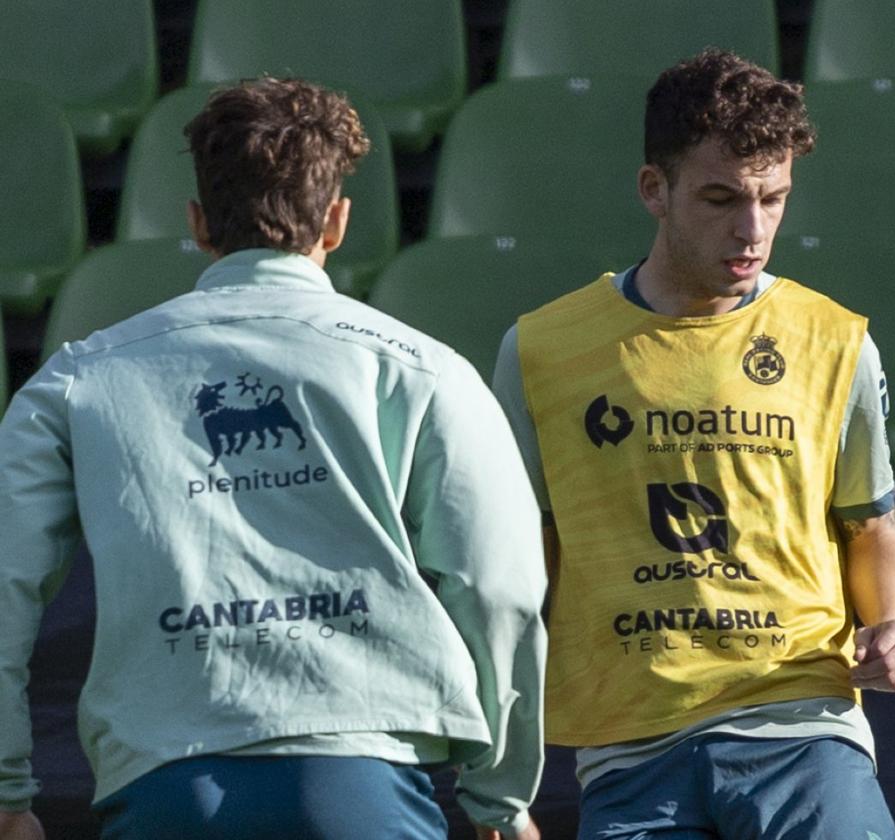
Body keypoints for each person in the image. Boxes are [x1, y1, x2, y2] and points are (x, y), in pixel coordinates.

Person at [0, 77, 545, 840]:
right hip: (364, 777)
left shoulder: (76, 378)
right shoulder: (424, 369)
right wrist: (501, 795)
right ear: (339, 221)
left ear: (196, 223)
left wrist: (6, 788)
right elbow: (499, 590)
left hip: (165, 784)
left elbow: (6, 585)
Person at [491, 50, 895, 838]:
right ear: (654, 190)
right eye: (721, 198)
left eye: (773, 198)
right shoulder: (540, 351)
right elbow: (522, 564)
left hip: (801, 724)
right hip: (629, 745)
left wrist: (891, 625)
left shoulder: (836, 342)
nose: (752, 229)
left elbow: (871, 529)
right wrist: (501, 765)